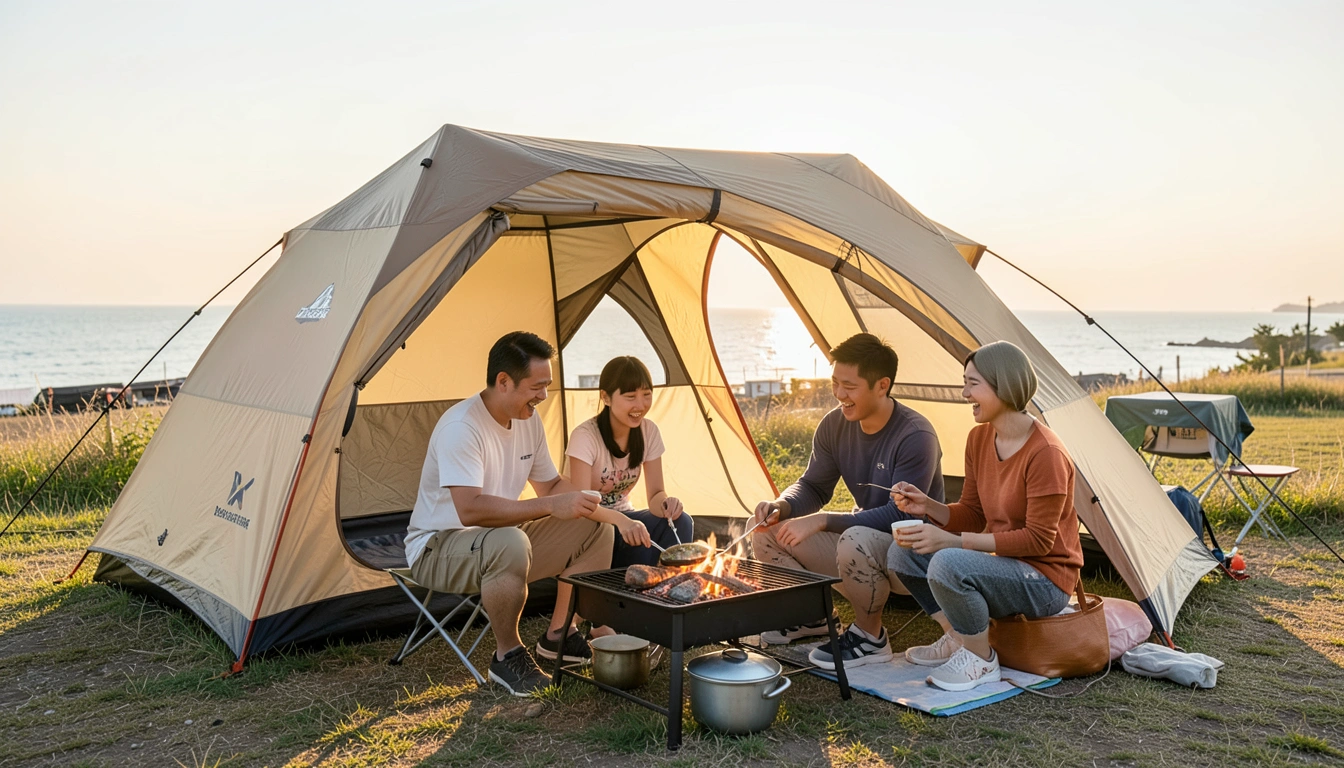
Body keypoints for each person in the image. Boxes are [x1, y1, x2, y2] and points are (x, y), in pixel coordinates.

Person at [863, 341, 1082, 692]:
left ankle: (981, 660)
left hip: (1045, 579)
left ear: (1003, 385)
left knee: (948, 563)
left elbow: (1039, 540)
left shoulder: (1046, 453)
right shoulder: (979, 439)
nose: (965, 393)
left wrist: (952, 542)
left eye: (972, 383)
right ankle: (958, 638)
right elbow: (973, 513)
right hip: (1002, 565)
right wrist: (928, 507)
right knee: (901, 551)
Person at [404, 331, 613, 697]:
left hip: (501, 542)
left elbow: (549, 486)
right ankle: (507, 657)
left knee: (597, 531)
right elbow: (469, 509)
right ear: (504, 382)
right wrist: (550, 507)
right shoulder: (461, 427)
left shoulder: (527, 420)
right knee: (511, 542)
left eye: (548, 386)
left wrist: (606, 512)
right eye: (537, 386)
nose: (544, 396)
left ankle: (559, 635)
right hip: (438, 548)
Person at [749, 333, 944, 656]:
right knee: (765, 531)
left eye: (849, 387)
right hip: (861, 547)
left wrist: (822, 521)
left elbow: (904, 516)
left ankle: (871, 637)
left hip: (912, 557)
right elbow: (813, 485)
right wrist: (782, 506)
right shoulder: (834, 425)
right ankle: (811, 617)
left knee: (854, 536)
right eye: (835, 384)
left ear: (882, 385)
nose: (840, 395)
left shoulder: (915, 435)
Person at [565, 356, 693, 568]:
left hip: (626, 518)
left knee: (681, 522)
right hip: (591, 527)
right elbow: (581, 507)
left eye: (646, 395)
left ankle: (669, 589)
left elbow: (655, 495)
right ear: (605, 397)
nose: (640, 405)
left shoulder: (648, 431)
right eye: (630, 396)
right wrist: (622, 521)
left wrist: (667, 505)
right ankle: (643, 587)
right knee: (641, 548)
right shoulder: (585, 436)